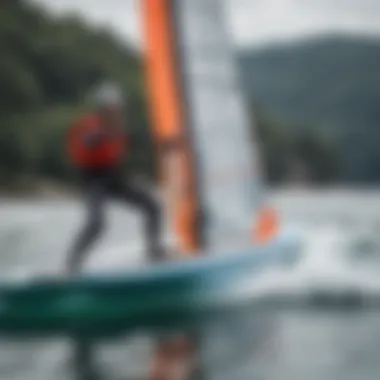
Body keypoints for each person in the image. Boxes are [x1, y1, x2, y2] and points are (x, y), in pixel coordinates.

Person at [66, 81, 165, 275]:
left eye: (117, 106)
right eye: (111, 106)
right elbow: (86, 142)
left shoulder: (119, 126)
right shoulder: (90, 124)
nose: (116, 110)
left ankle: (154, 252)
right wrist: (96, 138)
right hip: (94, 181)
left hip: (115, 178)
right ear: (102, 108)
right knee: (97, 222)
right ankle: (72, 264)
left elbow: (127, 146)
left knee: (152, 206)